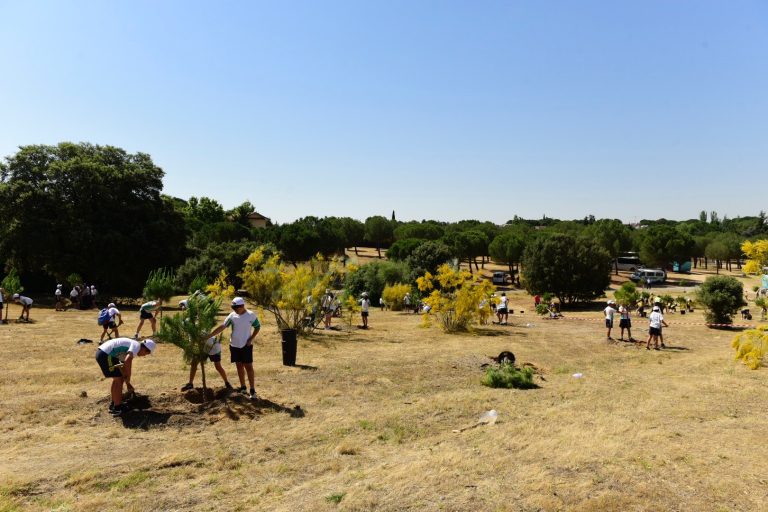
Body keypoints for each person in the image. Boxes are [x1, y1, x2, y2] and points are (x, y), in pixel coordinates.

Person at [209, 297, 261, 399]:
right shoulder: (232, 316)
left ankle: (252, 390)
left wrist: (251, 339)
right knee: (239, 366)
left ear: (242, 306)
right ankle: (243, 387)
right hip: (234, 345)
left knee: (248, 367)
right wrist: (210, 335)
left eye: (236, 308)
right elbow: (223, 326)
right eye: (233, 308)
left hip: (246, 346)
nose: (235, 310)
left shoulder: (250, 315)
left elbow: (257, 327)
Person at [95, 337, 156, 416]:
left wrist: (127, 382)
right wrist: (128, 382)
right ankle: (117, 408)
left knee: (118, 379)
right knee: (118, 380)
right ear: (145, 348)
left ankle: (114, 403)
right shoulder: (136, 346)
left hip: (105, 353)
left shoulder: (131, 346)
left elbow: (123, 366)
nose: (145, 355)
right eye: (147, 353)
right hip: (106, 354)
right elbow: (128, 361)